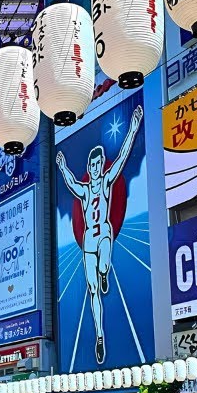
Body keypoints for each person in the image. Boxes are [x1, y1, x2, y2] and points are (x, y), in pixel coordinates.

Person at [55, 104, 142, 364]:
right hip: (87, 244)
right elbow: (70, 182)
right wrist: (61, 167)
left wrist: (134, 127)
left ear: (100, 165)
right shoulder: (84, 190)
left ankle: (105, 272)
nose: (94, 167)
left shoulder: (105, 182)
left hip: (103, 233)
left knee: (104, 257)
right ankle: (100, 335)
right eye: (92, 164)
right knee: (93, 290)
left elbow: (124, 156)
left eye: (97, 163)